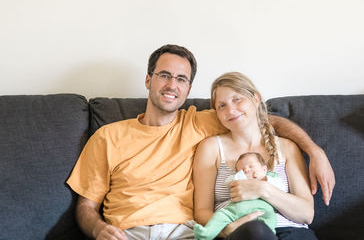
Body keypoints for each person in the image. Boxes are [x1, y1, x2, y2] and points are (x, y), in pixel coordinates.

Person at [67, 45, 334, 240]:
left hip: (184, 233)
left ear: (188, 89)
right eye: (164, 75)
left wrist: (314, 150)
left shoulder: (200, 122)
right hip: (127, 233)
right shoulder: (107, 136)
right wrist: (99, 229)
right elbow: (86, 206)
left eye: (181, 79)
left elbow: (263, 121)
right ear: (148, 80)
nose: (172, 84)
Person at [193, 72, 318, 239]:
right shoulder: (211, 148)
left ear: (256, 98)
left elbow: (306, 214)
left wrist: (263, 189)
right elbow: (201, 211)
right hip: (240, 231)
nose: (230, 110)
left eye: (237, 99)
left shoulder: (287, 147)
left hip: (290, 230)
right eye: (222, 106)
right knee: (256, 231)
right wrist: (226, 229)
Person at [194, 152, 285, 240]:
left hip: (263, 210)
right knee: (221, 216)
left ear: (264, 169)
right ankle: (206, 233)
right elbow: (230, 182)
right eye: (242, 169)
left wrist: (264, 181)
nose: (246, 170)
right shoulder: (240, 179)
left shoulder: (272, 178)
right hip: (238, 208)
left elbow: (280, 189)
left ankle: (270, 234)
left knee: (271, 219)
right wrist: (241, 176)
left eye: (251, 166)